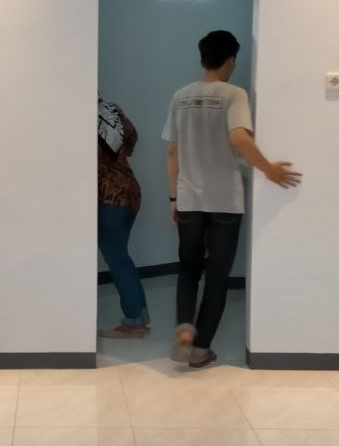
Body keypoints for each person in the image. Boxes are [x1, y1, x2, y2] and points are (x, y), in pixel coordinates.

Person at [163, 30, 301, 367]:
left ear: (202, 58)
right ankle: (200, 348)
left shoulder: (181, 96)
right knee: (218, 275)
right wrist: (269, 169)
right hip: (225, 200)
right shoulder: (234, 94)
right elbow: (239, 138)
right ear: (230, 60)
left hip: (189, 198)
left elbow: (172, 152)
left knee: (188, 270)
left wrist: (173, 198)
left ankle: (184, 329)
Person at [98, 95, 150, 339]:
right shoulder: (112, 111)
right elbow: (132, 139)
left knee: (117, 259)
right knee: (122, 258)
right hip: (130, 191)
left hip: (109, 196)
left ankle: (133, 321)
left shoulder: (86, 119)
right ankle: (140, 313)